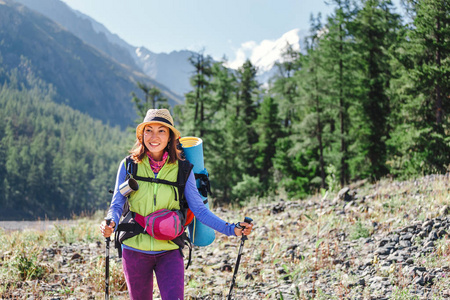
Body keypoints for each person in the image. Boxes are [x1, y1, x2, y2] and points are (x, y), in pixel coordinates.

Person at [100, 108, 253, 300]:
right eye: (149, 130)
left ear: (170, 137)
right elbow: (116, 205)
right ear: (142, 135)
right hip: (134, 249)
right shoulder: (129, 165)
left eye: (161, 130)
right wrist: (110, 222)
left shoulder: (182, 170)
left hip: (169, 250)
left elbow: (199, 210)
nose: (154, 136)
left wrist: (232, 229)